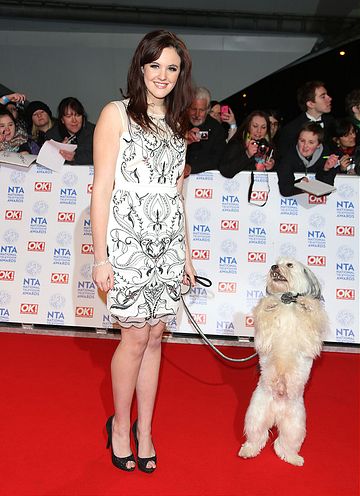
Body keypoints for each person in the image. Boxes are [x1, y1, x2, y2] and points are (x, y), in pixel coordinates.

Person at [90, 30, 196, 473]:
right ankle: (119, 426)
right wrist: (100, 257)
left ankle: (145, 429)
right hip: (127, 242)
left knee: (156, 337)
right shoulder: (115, 114)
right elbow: (101, 191)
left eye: (172, 68)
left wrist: (187, 254)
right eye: (155, 66)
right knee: (133, 336)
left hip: (167, 244)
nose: (163, 75)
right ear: (140, 67)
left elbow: (177, 195)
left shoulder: (177, 124)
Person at [277, 122, 338, 197]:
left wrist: (326, 169)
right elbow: (285, 189)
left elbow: (327, 190)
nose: (305, 146)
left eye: (311, 142)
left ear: (319, 144)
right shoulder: (288, 154)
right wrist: (301, 184)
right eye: (302, 141)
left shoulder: (327, 155)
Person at [278, 81, 334, 158]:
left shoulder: (333, 123)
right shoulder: (291, 130)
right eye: (323, 96)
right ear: (310, 104)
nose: (330, 98)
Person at [219, 110, 275, 178]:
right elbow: (225, 170)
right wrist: (247, 154)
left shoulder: (269, 146)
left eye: (263, 127)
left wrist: (271, 167)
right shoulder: (237, 143)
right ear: (248, 126)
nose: (259, 131)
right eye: (255, 126)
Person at [185, 87, 227, 176]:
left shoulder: (217, 129)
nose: (197, 114)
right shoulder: (178, 124)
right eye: (193, 109)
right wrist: (183, 139)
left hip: (208, 182)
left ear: (208, 109)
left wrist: (191, 168)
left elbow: (218, 158)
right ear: (187, 107)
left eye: (201, 110)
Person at [46, 97, 95, 164]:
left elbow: (103, 156)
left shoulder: (94, 132)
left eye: (77, 115)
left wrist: (75, 157)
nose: (74, 121)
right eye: (69, 116)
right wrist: (57, 152)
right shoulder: (52, 135)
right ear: (62, 120)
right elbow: (45, 161)